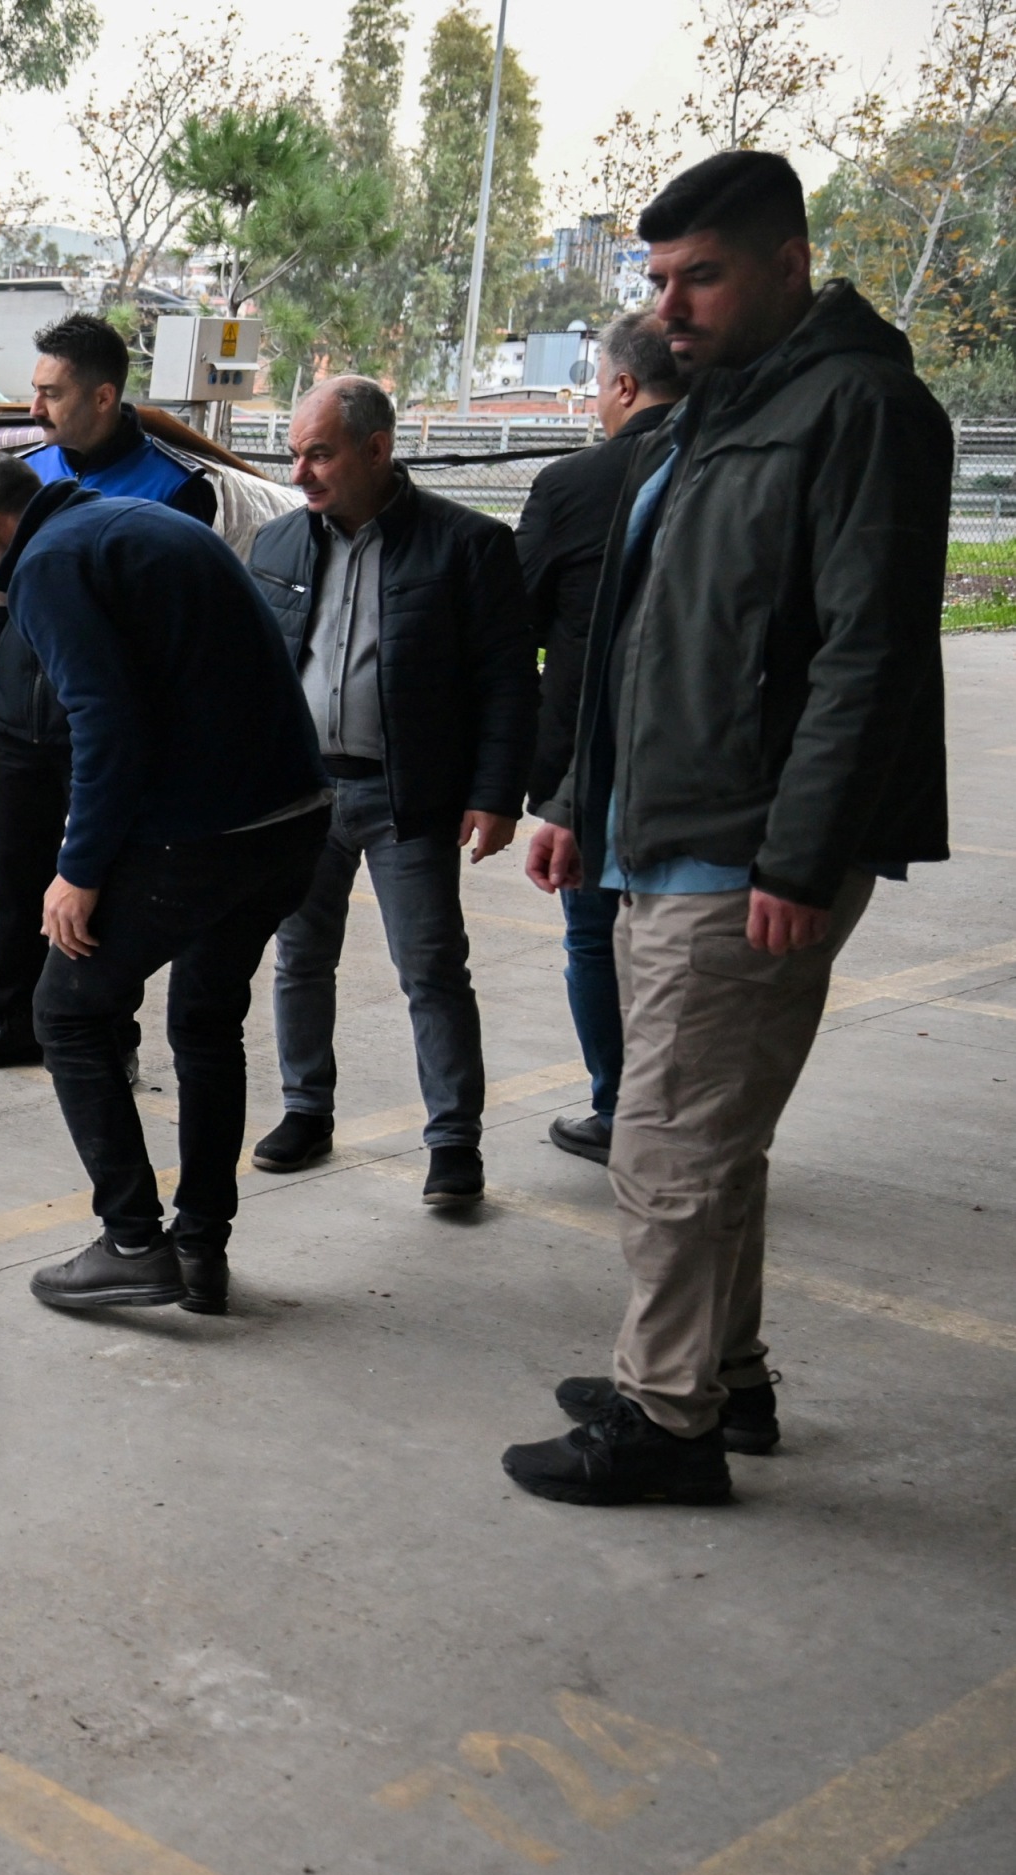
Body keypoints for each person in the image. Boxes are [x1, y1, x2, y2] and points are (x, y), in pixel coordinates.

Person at [507, 150, 951, 1505]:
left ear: (787, 262)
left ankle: (666, 1423)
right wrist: (580, 800)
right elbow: (642, 634)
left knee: (664, 1145)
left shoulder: (856, 408)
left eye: (700, 274)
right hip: (661, 823)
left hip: (745, 842)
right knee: (703, 1138)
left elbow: (861, 655)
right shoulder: (716, 407)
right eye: (657, 279)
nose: (672, 304)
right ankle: (719, 1378)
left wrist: (799, 854)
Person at [0, 451, 329, 1315]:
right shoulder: (131, 524)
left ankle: (133, 1242)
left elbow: (105, 720)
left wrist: (76, 870)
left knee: (65, 1010)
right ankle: (199, 1250)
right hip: (289, 822)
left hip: (205, 832)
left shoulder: (51, 566)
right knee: (206, 1025)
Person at [245, 377, 534, 1207]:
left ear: (376, 450)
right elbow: (254, 675)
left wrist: (495, 794)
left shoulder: (465, 545)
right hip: (301, 797)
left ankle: (453, 1145)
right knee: (300, 959)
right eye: (293, 454)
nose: (299, 473)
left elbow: (508, 683)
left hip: (409, 796)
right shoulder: (277, 546)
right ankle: (305, 1110)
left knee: (432, 969)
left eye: (319, 454)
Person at [0, 312, 221, 1071]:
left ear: (102, 397)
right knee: (18, 885)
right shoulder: (31, 475)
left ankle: (108, 1035)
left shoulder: (174, 488)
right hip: (22, 718)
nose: (35, 408)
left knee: (103, 889)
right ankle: (17, 1021)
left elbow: (169, 633)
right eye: (34, 391)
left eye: (51, 393)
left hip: (109, 729)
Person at [513, 310, 685, 1164]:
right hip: (691, 754)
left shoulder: (574, 482)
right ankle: (672, 1106)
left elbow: (519, 614)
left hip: (587, 751)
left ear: (621, 384)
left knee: (591, 931)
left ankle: (617, 1107)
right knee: (677, 933)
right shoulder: (715, 467)